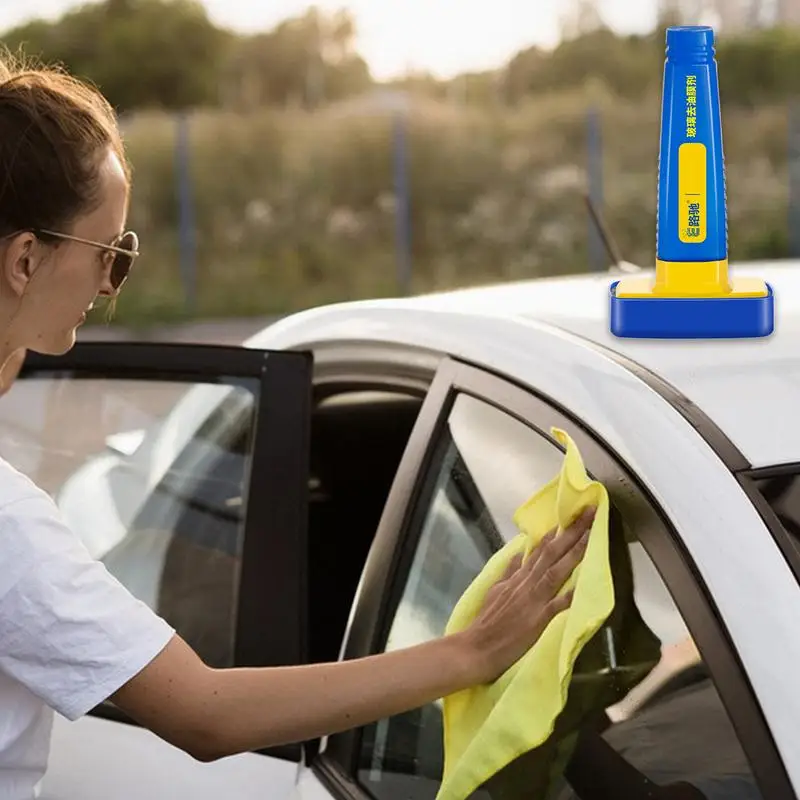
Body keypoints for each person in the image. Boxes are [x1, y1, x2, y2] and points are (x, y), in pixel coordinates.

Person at [0, 54, 595, 798]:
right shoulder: (11, 523)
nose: (112, 283)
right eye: (110, 253)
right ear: (26, 258)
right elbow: (204, 715)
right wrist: (470, 654)